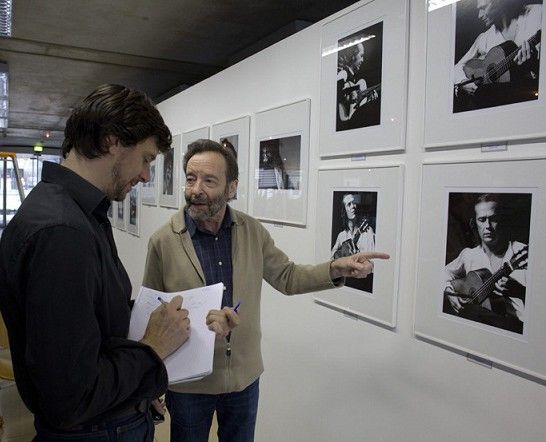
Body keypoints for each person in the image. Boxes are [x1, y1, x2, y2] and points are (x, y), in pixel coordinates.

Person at [0, 84, 226, 441]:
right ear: (111, 142)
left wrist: (140, 381)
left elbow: (96, 328)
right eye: (147, 158)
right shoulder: (63, 232)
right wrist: (152, 350)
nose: (146, 175)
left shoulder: (76, 215)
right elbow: (71, 397)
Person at [142, 139, 389, 442]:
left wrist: (335, 268)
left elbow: (287, 276)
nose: (196, 190)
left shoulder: (252, 231)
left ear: (231, 188)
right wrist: (152, 377)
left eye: (209, 181)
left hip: (244, 379)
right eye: (191, 178)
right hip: (190, 385)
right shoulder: (163, 241)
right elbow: (151, 315)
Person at [443, 194, 528, 334]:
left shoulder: (521, 252)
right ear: (474, 223)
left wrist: (520, 291)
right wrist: (450, 293)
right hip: (475, 328)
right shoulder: (469, 255)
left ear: (502, 221)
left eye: (493, 219)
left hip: (515, 331)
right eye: (482, 220)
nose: (487, 226)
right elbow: (443, 272)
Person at [454, 0, 542, 110]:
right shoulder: (485, 38)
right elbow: (457, 67)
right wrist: (463, 82)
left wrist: (533, 65)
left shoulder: (537, 13)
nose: (479, 15)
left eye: (483, 8)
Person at [336, 41, 379, 126]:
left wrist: (366, 101)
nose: (362, 60)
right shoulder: (344, 73)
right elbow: (339, 91)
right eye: (361, 56)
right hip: (345, 118)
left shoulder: (354, 79)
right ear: (353, 56)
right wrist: (353, 93)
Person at [331, 193, 375, 259]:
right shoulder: (341, 235)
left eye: (354, 203)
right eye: (349, 204)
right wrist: (343, 252)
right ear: (344, 210)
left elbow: (372, 260)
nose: (353, 206)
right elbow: (332, 258)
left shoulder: (367, 231)